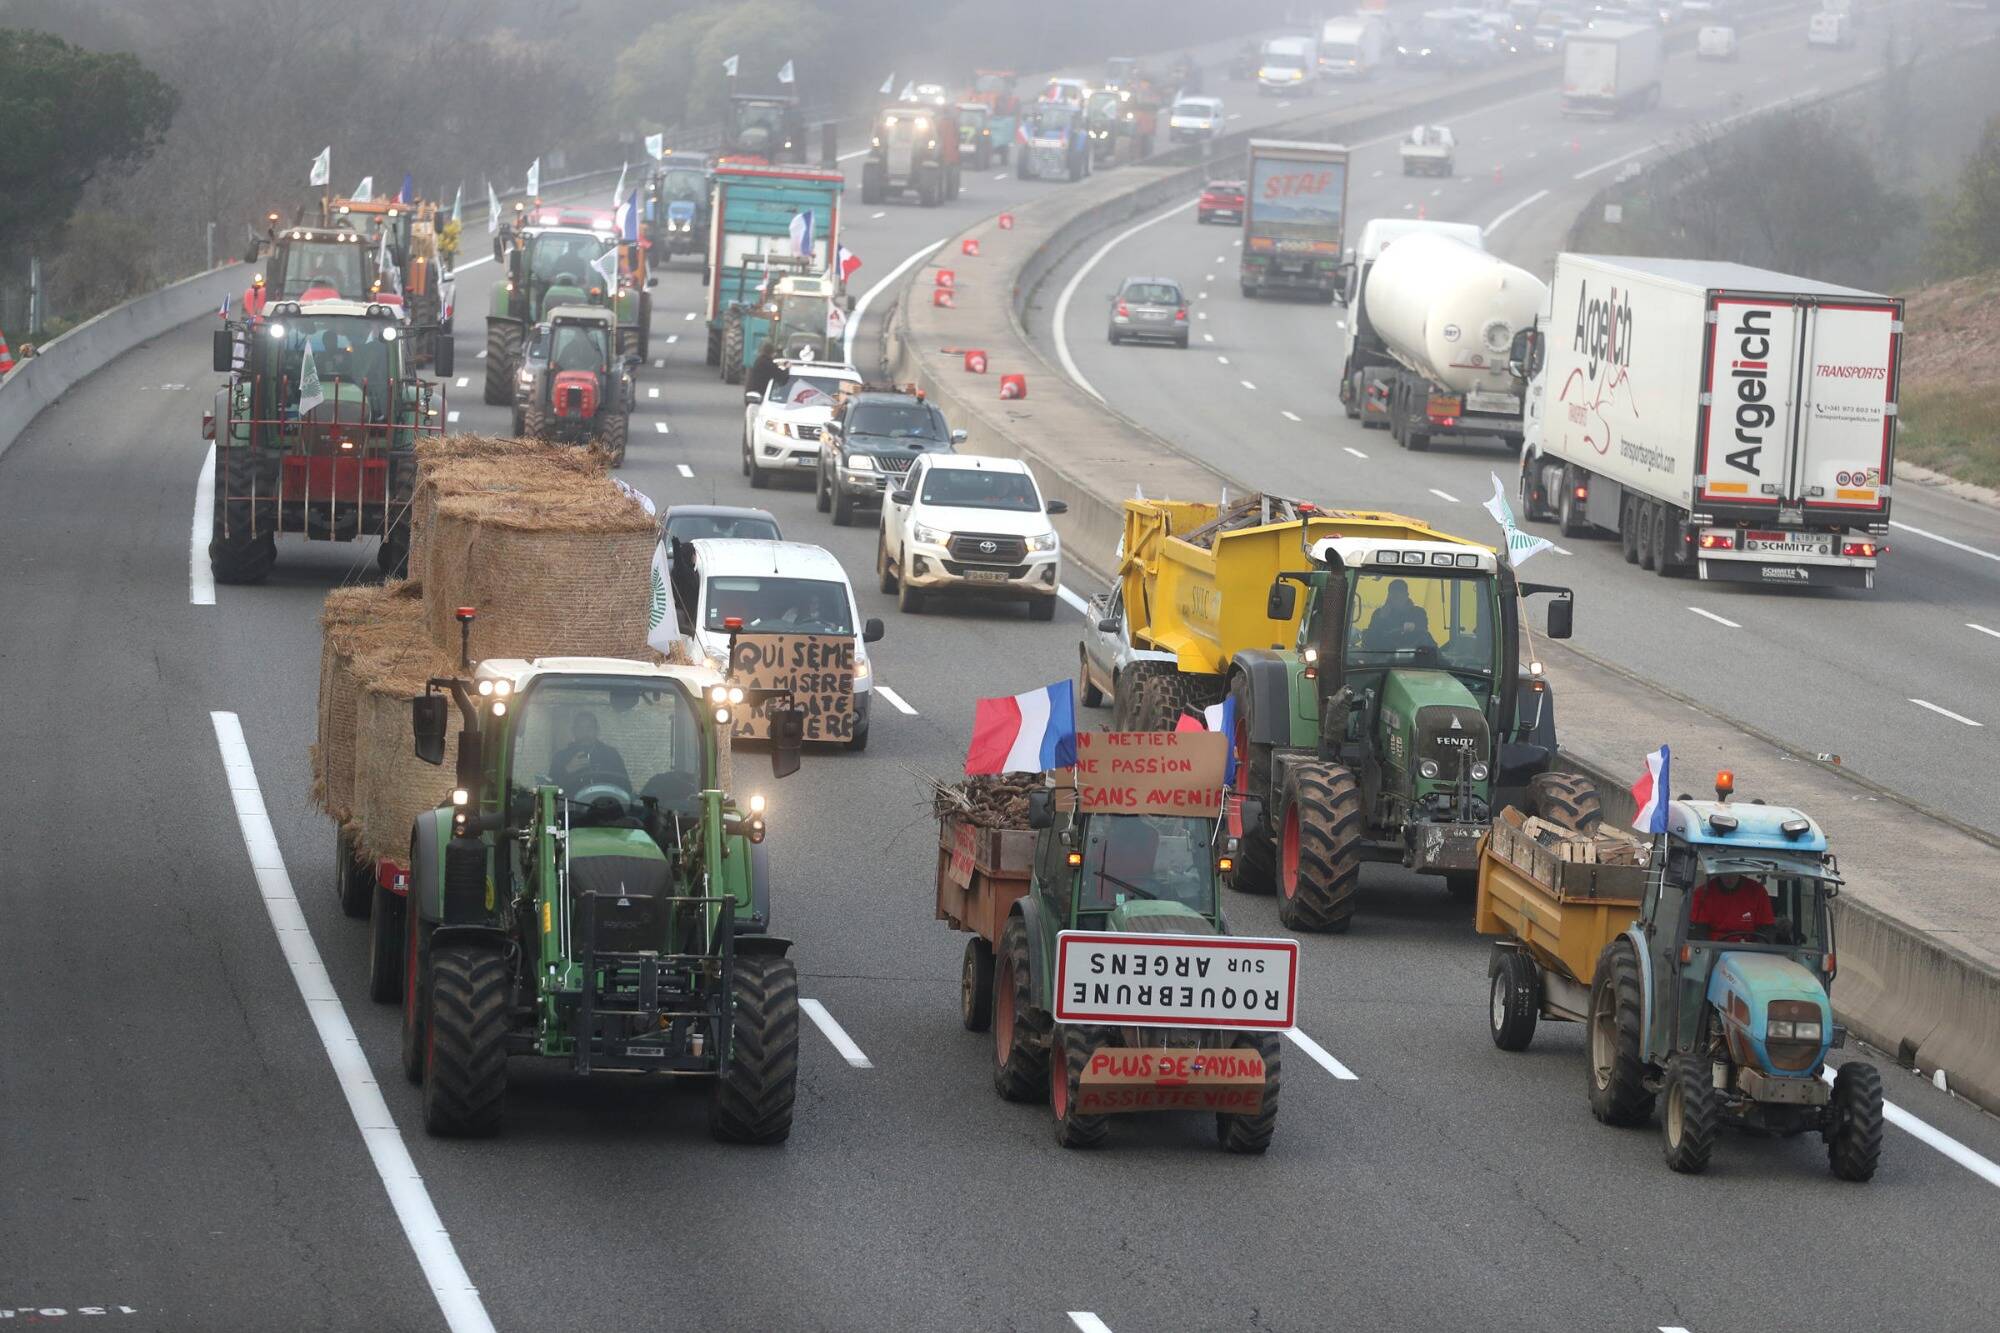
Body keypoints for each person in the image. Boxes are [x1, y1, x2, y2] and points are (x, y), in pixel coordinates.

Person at [550, 712, 631, 793]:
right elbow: (550, 791)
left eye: (589, 728)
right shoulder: (561, 757)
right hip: (572, 804)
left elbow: (626, 787)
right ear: (573, 731)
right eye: (580, 728)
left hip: (602, 804)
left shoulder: (611, 755)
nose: (585, 733)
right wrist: (567, 770)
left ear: (597, 730)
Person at [1689, 872, 1775, 944]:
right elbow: (1698, 936)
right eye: (1725, 872)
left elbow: (1766, 932)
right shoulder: (1702, 894)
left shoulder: (1758, 892)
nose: (1729, 877)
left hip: (1750, 952)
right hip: (1713, 951)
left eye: (1733, 873)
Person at [1362, 579, 1433, 654]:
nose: (1396, 599)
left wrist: (1409, 629)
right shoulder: (1378, 614)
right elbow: (1370, 640)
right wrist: (1381, 619)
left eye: (1400, 595)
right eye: (1393, 595)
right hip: (1384, 657)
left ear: (1406, 595)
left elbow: (1423, 632)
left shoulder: (1418, 613)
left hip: (1415, 657)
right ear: (1388, 596)